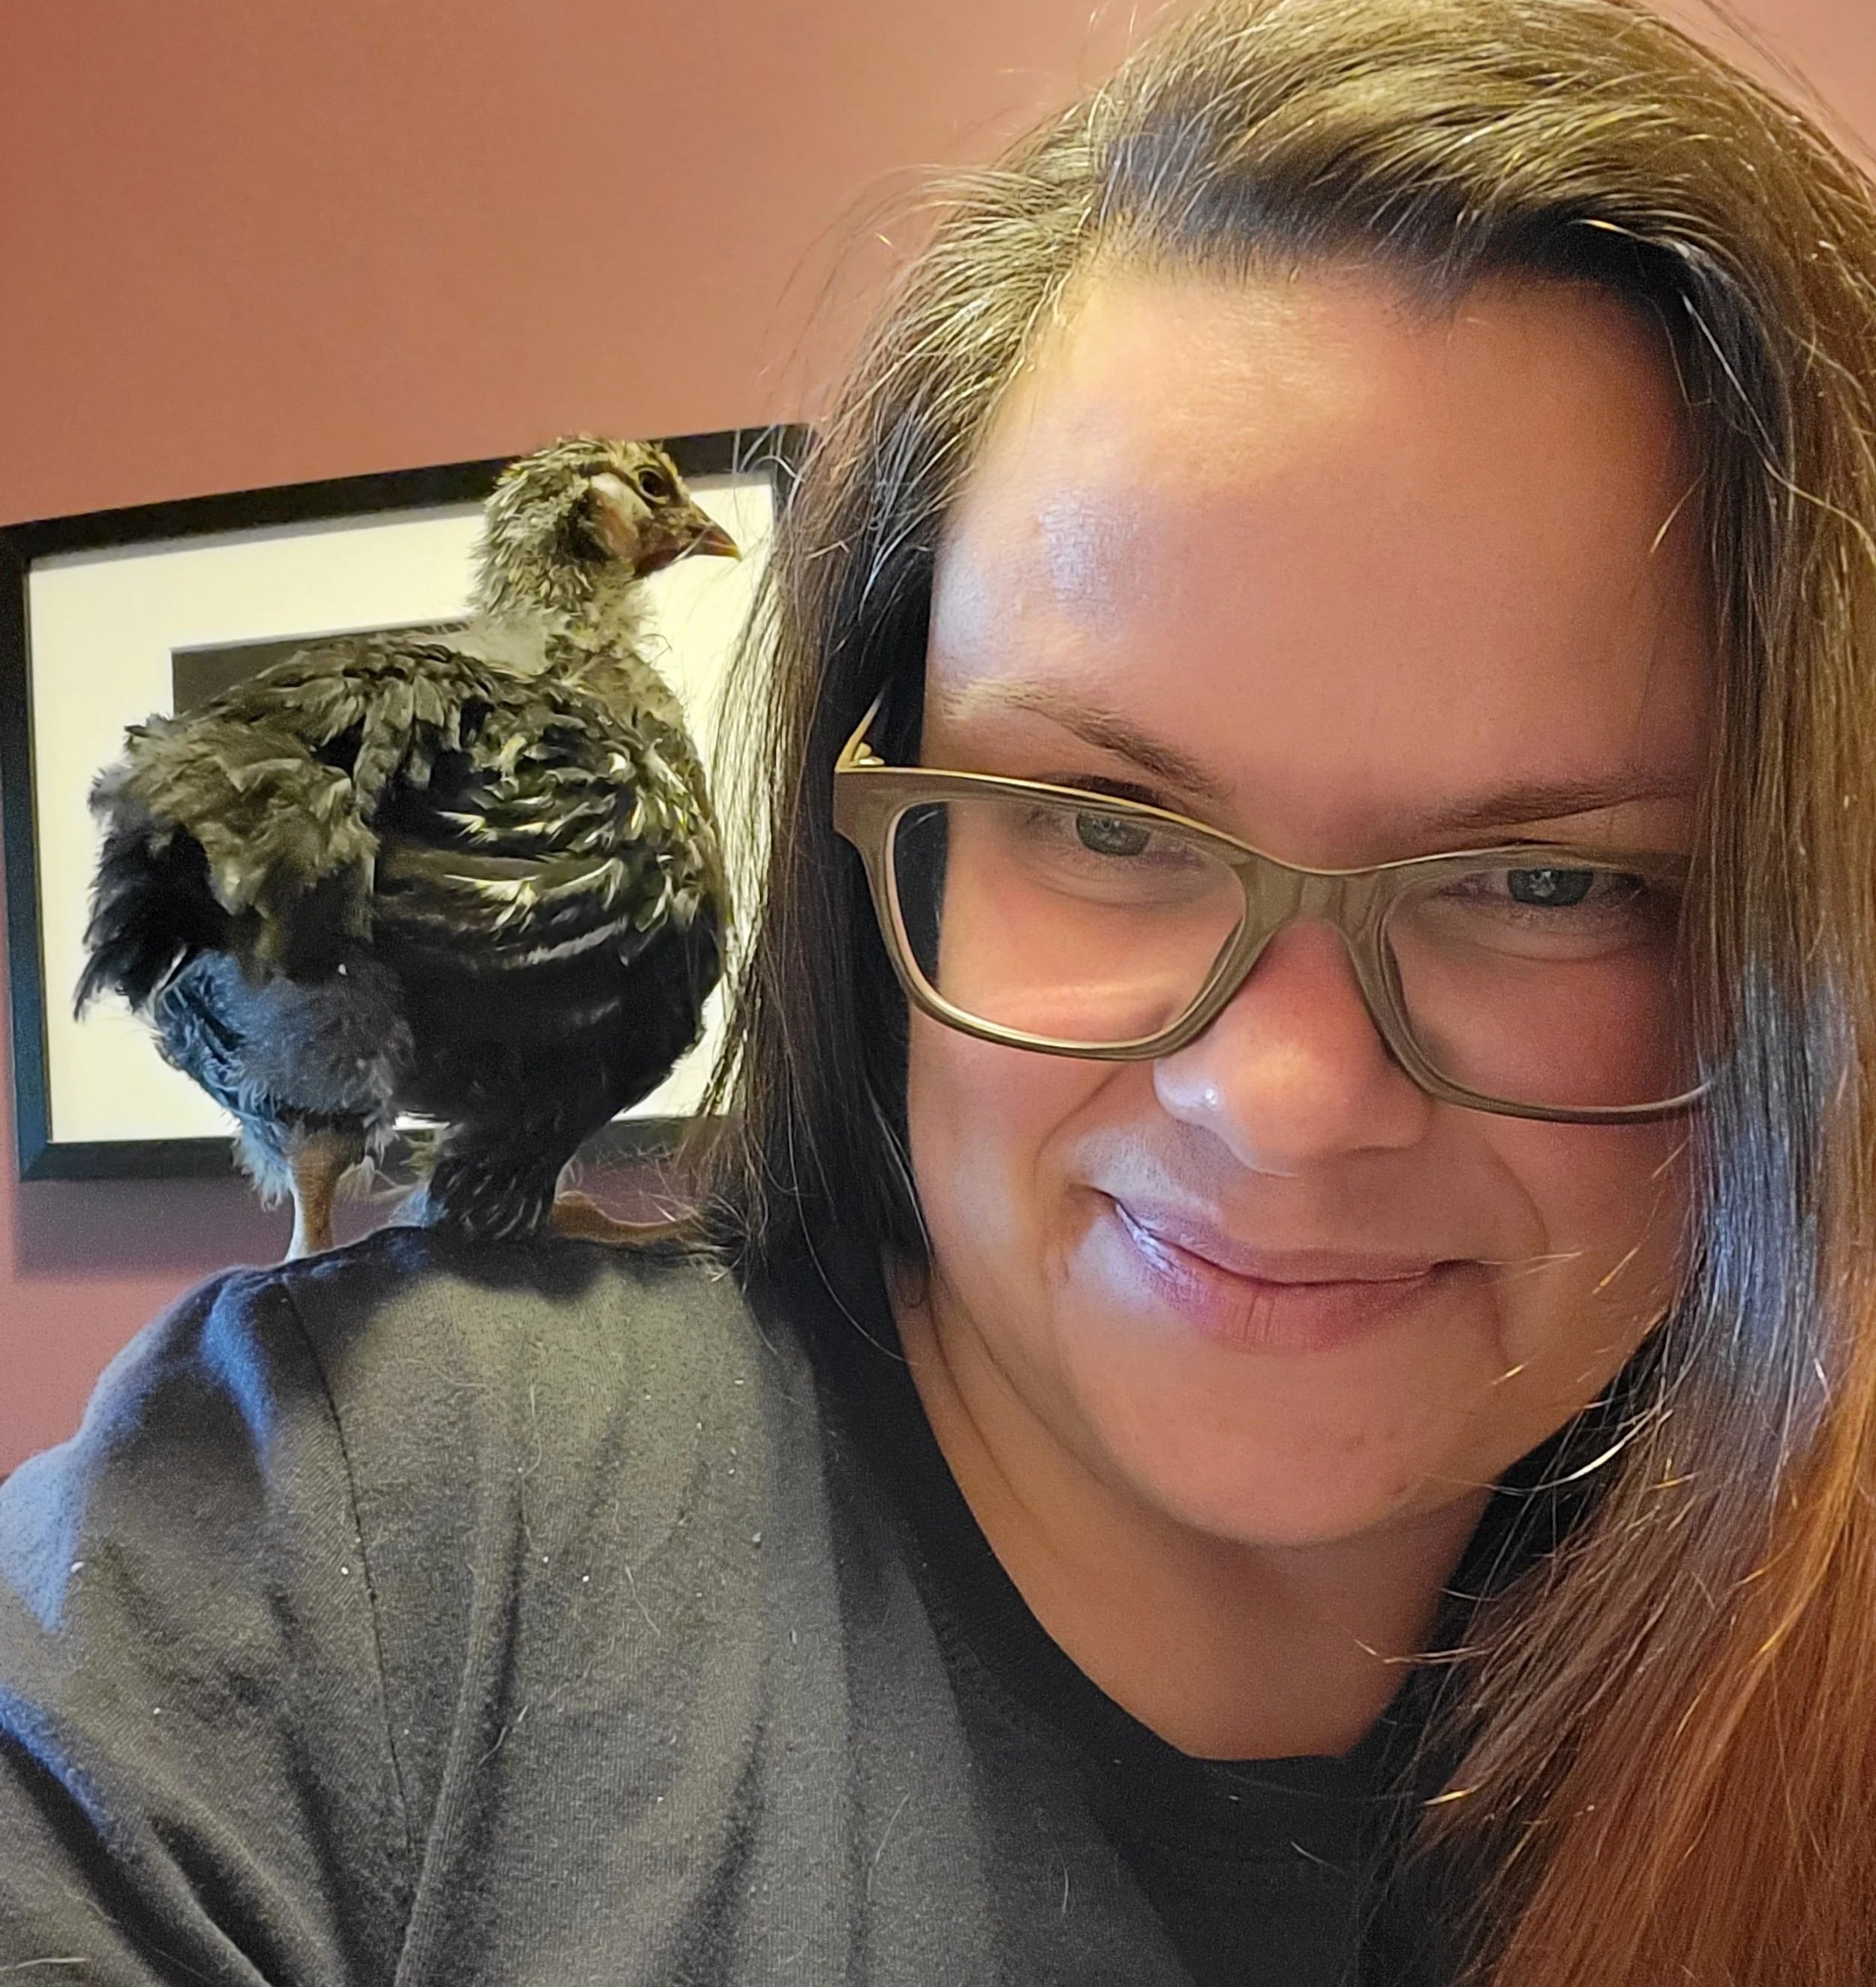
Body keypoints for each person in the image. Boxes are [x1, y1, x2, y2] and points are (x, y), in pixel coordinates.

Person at [5, 0, 1876, 1979]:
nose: (1281, 1097)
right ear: (877, 821)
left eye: (1548, 882)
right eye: (1102, 824)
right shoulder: (358, 1550)